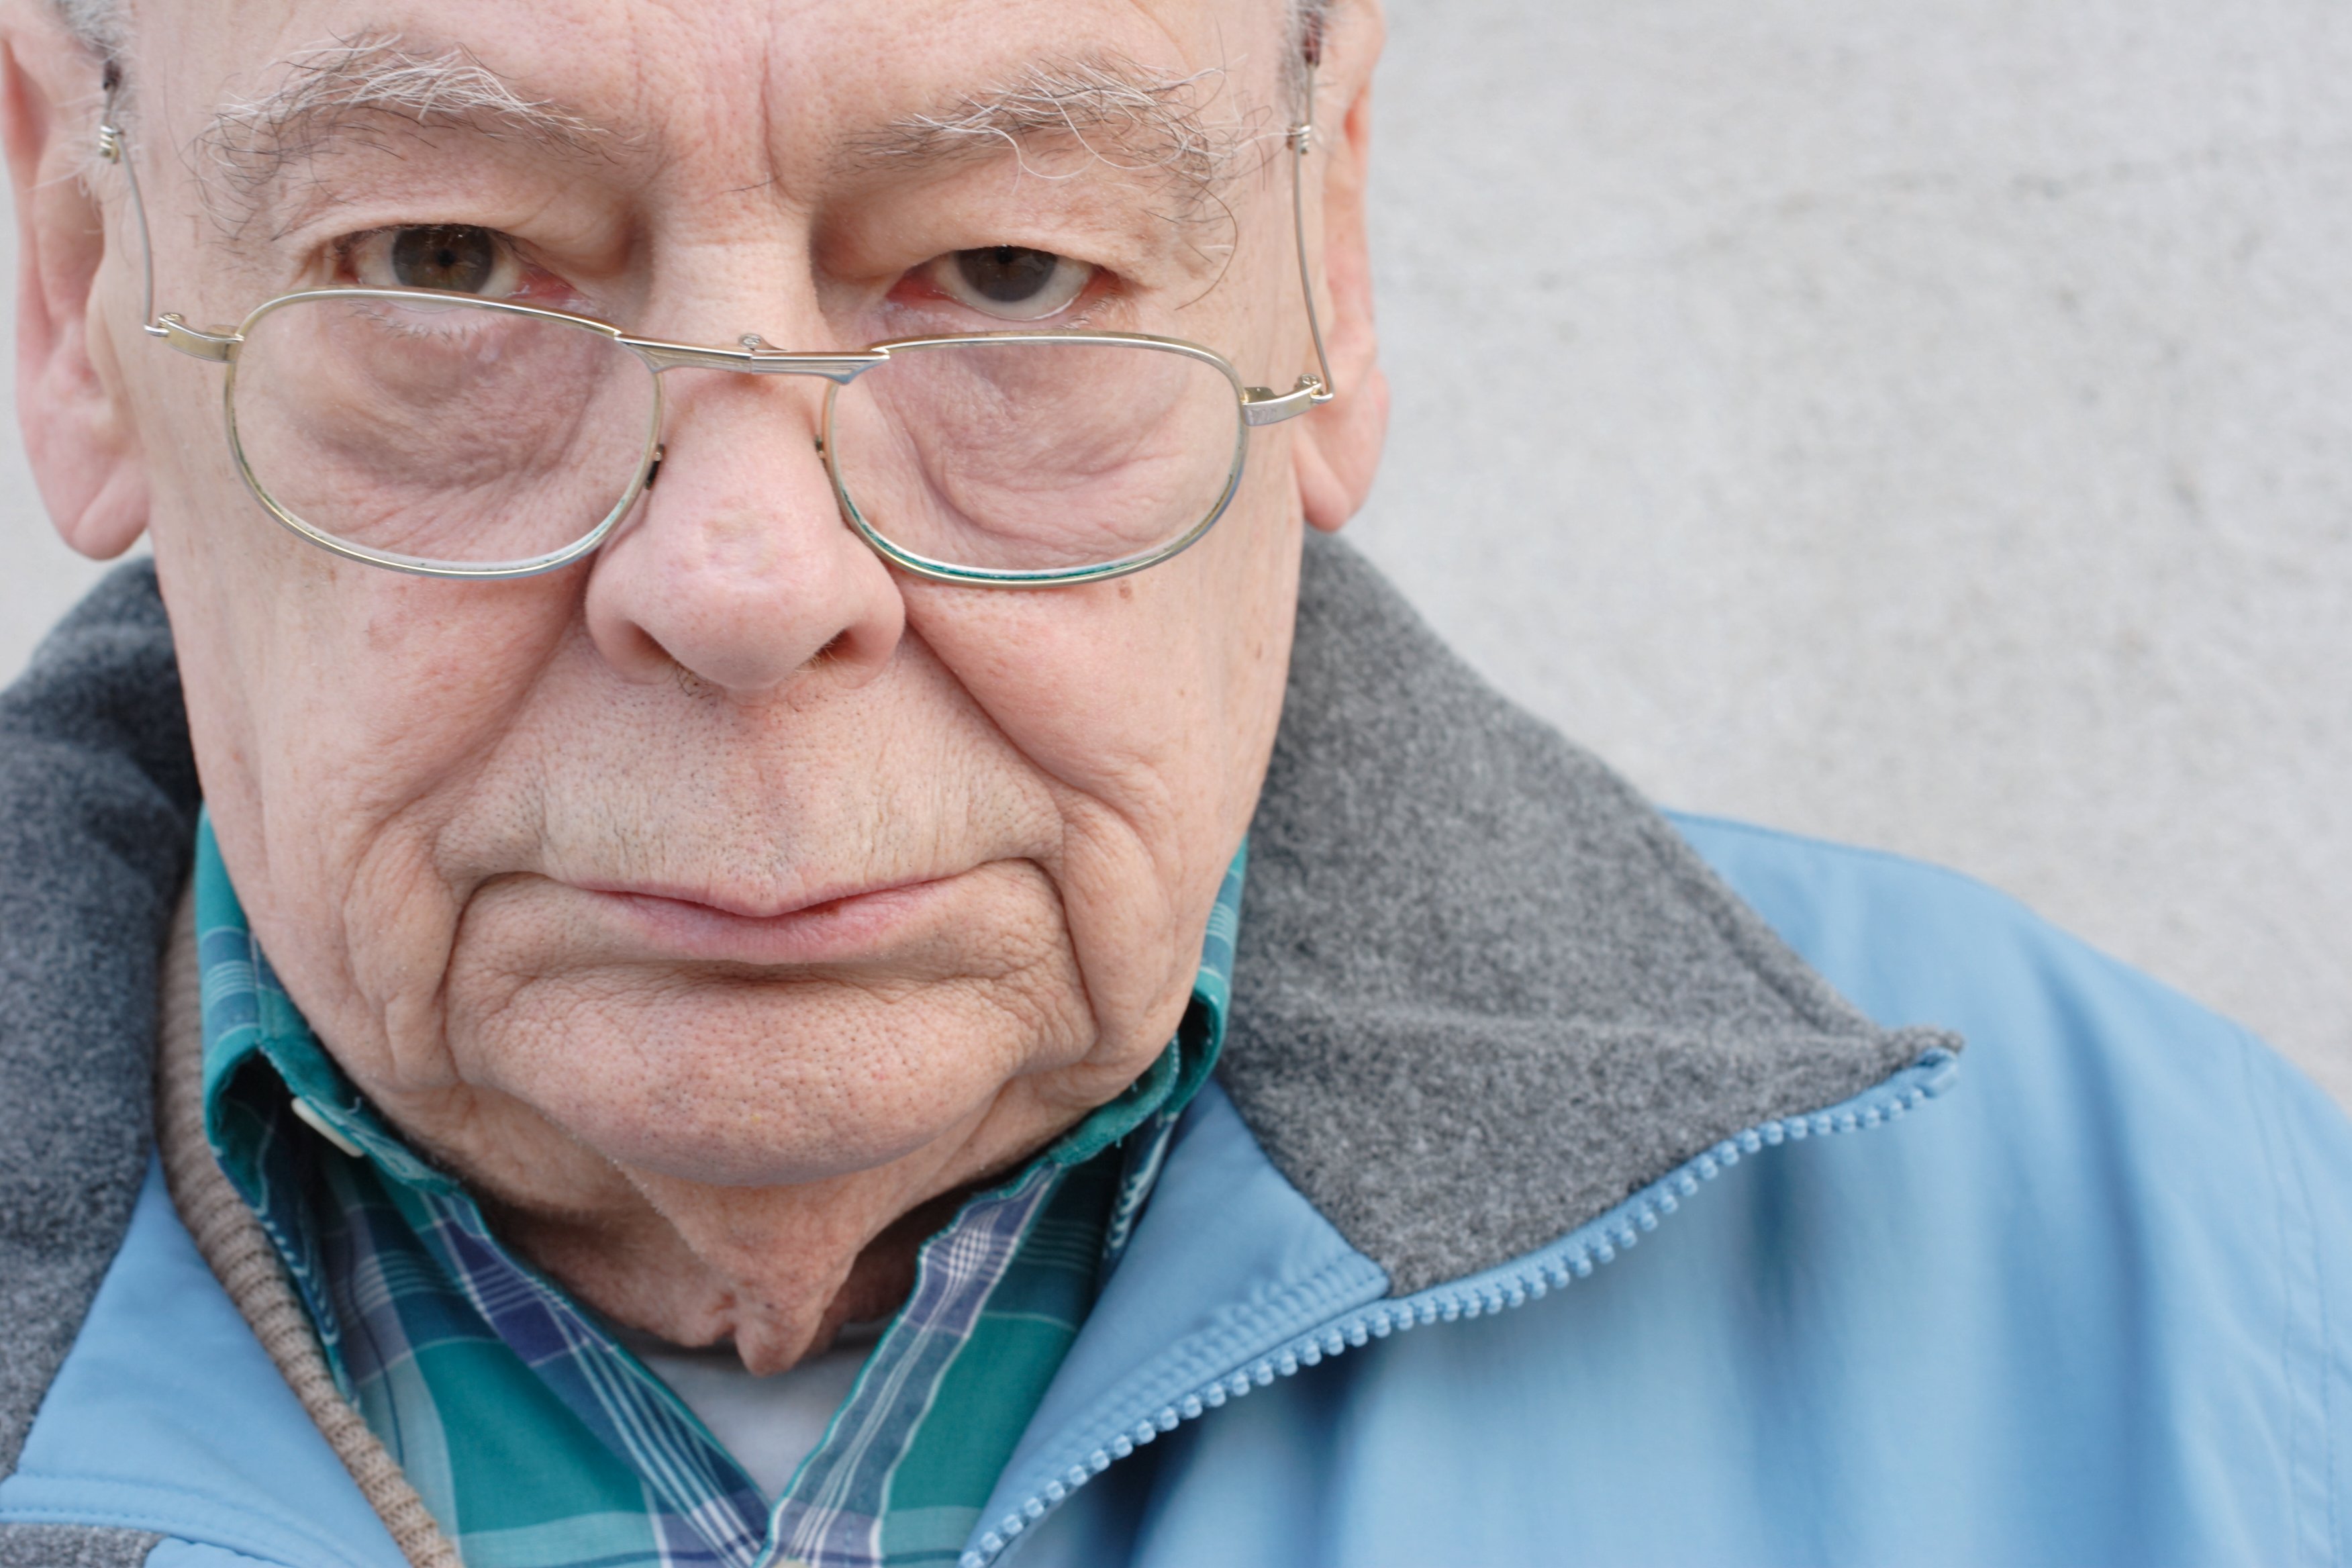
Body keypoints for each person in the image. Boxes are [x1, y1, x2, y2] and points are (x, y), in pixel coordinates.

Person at [1, 0, 2346, 1564]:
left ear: (1321, 263)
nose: (742, 573)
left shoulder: (2208, 1284)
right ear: (79, 288)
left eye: (1010, 268)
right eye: (446, 260)